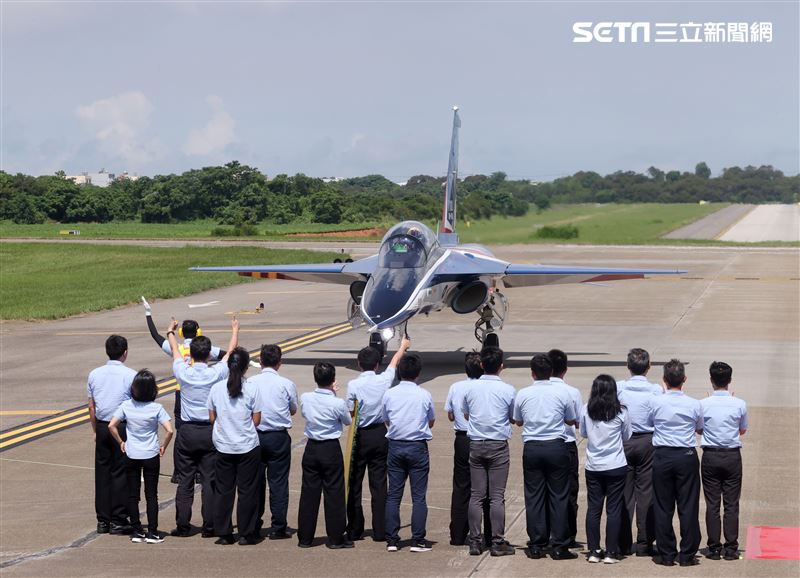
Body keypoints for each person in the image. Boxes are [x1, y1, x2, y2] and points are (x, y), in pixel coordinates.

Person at [141, 297, 224, 484]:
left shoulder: (176, 348)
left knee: (181, 432)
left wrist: (148, 314)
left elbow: (155, 335)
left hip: (181, 393)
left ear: (180, 332)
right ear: (198, 332)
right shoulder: (206, 349)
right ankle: (202, 471)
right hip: (203, 393)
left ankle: (179, 471)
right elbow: (226, 355)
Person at [169, 317, 239, 538]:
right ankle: (209, 525)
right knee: (210, 480)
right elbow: (230, 354)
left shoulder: (183, 372)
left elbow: (175, 352)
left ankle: (182, 524)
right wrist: (235, 330)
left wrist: (171, 332)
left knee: (185, 480)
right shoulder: (215, 373)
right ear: (209, 354)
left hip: (187, 431)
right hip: (209, 431)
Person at [512, 353, 578, 560]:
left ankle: (536, 544)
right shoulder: (563, 394)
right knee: (559, 496)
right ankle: (559, 545)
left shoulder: (523, 394)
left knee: (534, 497)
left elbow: (518, 421)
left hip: (532, 448)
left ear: (532, 373)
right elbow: (570, 420)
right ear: (551, 372)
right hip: (556, 447)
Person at [346, 337, 410, 542]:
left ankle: (355, 529)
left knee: (354, 483)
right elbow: (394, 363)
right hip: (379, 434)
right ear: (376, 365)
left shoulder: (353, 384)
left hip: (359, 434)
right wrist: (402, 347)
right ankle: (381, 529)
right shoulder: (383, 380)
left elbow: (350, 411)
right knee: (379, 483)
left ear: (358, 364)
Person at [461, 346, 516, 557]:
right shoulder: (508, 390)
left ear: (482, 365)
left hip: (476, 443)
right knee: (496, 496)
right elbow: (513, 417)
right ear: (501, 366)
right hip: (498, 445)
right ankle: (497, 541)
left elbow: (466, 415)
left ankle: (475, 541)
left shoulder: (470, 389)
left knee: (476, 495)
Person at [648, 359, 703, 567]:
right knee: (688, 505)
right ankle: (688, 554)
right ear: (684, 379)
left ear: (664, 380)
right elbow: (700, 428)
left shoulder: (656, 402)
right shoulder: (694, 403)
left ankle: (667, 553)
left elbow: (649, 423)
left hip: (662, 455)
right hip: (686, 456)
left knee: (663, 506)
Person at [109, 369, 174, 544]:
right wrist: (163, 447)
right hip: (151, 453)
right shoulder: (156, 408)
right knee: (151, 494)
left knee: (133, 494)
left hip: (132, 453)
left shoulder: (127, 406)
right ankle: (153, 532)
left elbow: (111, 426)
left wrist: (121, 442)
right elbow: (169, 430)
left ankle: (137, 531)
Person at [207, 347, 263, 546]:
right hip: (247, 445)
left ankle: (224, 533)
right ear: (247, 366)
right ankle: (247, 533)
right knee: (248, 491)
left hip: (223, 446)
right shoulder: (252, 388)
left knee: (224, 490)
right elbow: (256, 420)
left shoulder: (216, 388)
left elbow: (212, 417)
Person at [382, 353, 436, 553]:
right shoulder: (424, 394)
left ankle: (392, 540)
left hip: (396, 445)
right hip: (417, 446)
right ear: (418, 374)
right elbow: (431, 420)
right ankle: (418, 539)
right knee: (419, 496)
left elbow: (386, 418)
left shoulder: (389, 394)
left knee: (394, 495)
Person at [297, 362, 353, 549]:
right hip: (330, 448)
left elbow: (305, 413)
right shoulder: (337, 403)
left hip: (312, 447)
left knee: (308, 494)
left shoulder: (306, 397)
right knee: (334, 494)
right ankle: (336, 538)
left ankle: (305, 537)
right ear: (333, 379)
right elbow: (346, 420)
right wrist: (334, 394)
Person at [248, 344, 298, 540]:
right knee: (278, 483)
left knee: (255, 483)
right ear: (279, 363)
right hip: (278, 437)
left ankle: (254, 523)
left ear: (260, 361)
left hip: (255, 436)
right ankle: (278, 526)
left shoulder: (251, 382)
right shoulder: (286, 384)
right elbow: (293, 409)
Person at [88, 334, 136, 535]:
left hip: (101, 425)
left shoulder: (94, 374)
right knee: (120, 472)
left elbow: (92, 406)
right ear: (125, 353)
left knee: (102, 473)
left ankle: (103, 520)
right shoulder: (131, 375)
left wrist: (95, 430)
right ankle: (118, 518)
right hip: (121, 426)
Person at [580, 375, 632, 564]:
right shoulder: (621, 412)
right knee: (614, 509)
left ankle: (594, 550)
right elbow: (627, 436)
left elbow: (583, 433)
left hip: (594, 466)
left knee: (594, 509)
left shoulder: (586, 409)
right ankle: (611, 552)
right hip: (616, 465)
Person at [700, 361, 748, 561]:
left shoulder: (703, 404)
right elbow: (742, 430)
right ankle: (730, 547)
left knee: (712, 504)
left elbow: (698, 428)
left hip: (710, 456)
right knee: (731, 504)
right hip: (731, 456)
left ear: (711, 380)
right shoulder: (739, 404)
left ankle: (713, 547)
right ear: (729, 380)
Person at [617, 348, 663, 556]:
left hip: (624, 442)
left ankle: (623, 543)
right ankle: (644, 543)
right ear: (648, 367)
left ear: (628, 366)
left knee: (624, 494)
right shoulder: (655, 390)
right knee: (646, 494)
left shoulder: (619, 388)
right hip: (647, 442)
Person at [444, 352, 491, 547]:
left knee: (461, 487)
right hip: (482, 439)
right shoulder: (485, 388)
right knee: (485, 489)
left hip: (462, 439)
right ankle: (489, 535)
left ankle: (457, 534)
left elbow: (451, 416)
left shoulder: (456, 387)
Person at [547, 349, 583, 548]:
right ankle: (567, 535)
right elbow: (577, 422)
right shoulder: (572, 392)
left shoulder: (534, 390)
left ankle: (544, 534)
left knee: (544, 491)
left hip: (540, 444)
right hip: (566, 446)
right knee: (569, 492)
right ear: (565, 370)